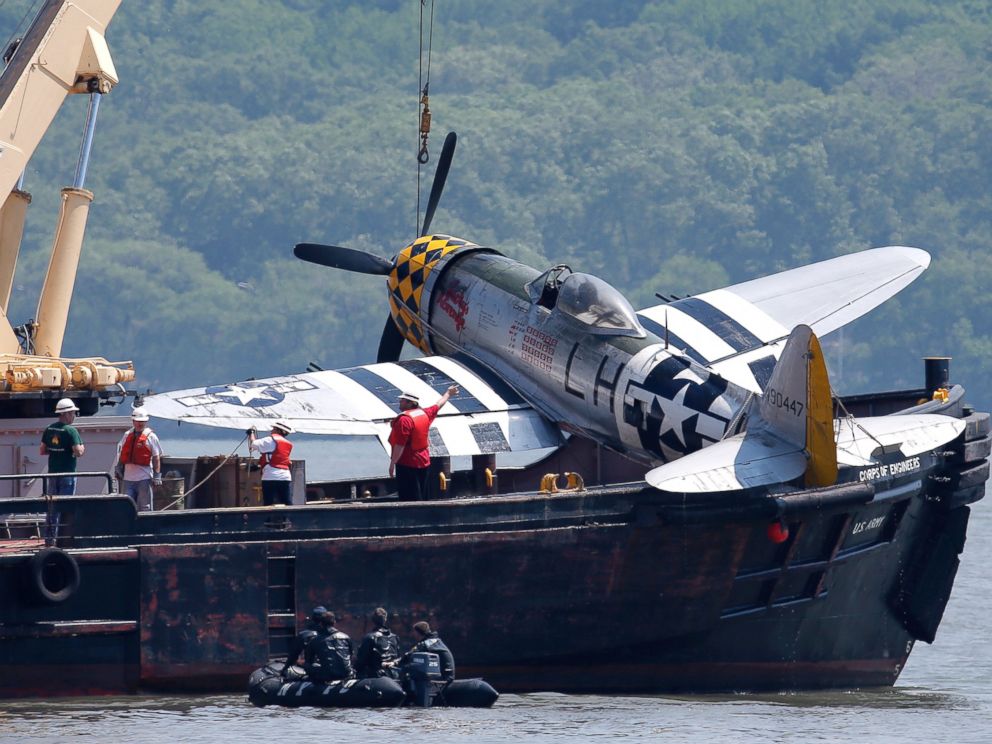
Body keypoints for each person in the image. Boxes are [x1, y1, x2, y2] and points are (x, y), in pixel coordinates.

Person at [388, 386, 458, 501]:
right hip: (424, 462)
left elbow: (400, 445)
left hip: (407, 464)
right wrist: (448, 393)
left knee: (408, 498)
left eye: (403, 400)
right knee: (422, 494)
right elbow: (438, 405)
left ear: (411, 403)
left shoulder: (404, 420)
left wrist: (392, 464)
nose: (400, 402)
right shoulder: (424, 413)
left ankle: (411, 518)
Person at [115, 407, 163, 512]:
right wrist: (118, 467)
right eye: (138, 421)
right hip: (128, 479)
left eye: (142, 422)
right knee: (127, 507)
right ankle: (129, 527)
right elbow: (123, 453)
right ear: (133, 421)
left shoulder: (151, 437)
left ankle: (146, 527)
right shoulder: (127, 435)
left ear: (146, 422)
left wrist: (157, 476)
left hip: (144, 478)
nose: (140, 424)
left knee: (145, 507)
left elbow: (156, 457)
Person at [40, 398, 85, 495]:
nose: (74, 416)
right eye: (73, 413)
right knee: (65, 505)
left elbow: (42, 450)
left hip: (52, 473)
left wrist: (56, 450)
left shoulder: (49, 428)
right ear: (67, 413)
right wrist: (81, 447)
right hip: (67, 473)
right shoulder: (71, 431)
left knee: (53, 504)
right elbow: (78, 452)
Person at [248, 421, 294, 506]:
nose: (271, 430)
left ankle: (268, 519)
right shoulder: (288, 444)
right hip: (285, 476)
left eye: (273, 428)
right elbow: (277, 458)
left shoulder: (270, 440)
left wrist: (251, 433)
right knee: (286, 501)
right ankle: (288, 518)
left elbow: (253, 444)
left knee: (268, 502)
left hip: (270, 476)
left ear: (278, 430)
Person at [304, 611, 355, 683]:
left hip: (327, 676)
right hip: (346, 674)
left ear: (321, 624)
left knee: (308, 665)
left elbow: (308, 661)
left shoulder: (314, 641)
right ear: (334, 622)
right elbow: (351, 657)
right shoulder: (346, 637)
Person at [283, 606, 329, 678]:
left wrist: (285, 670)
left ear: (313, 619)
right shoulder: (334, 635)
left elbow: (293, 655)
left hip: (313, 670)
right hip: (331, 669)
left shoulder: (304, 635)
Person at [354, 607, 400, 678]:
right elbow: (398, 657)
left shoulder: (369, 638)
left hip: (376, 677)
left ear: (373, 620)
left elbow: (361, 661)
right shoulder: (395, 637)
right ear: (385, 619)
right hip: (394, 676)